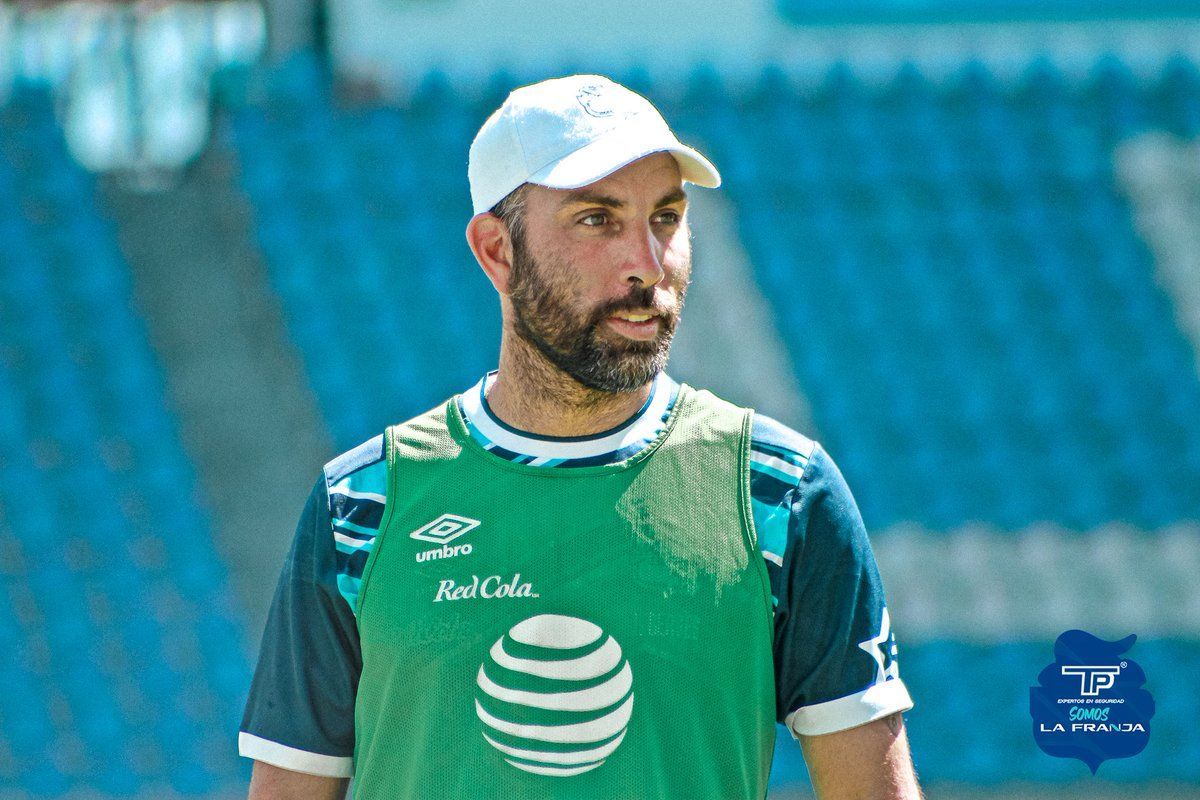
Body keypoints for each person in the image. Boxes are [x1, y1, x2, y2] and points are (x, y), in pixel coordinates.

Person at [239, 74, 920, 800]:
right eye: (597, 220)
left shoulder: (781, 493)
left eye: (665, 218)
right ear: (497, 251)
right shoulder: (360, 506)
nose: (647, 264)